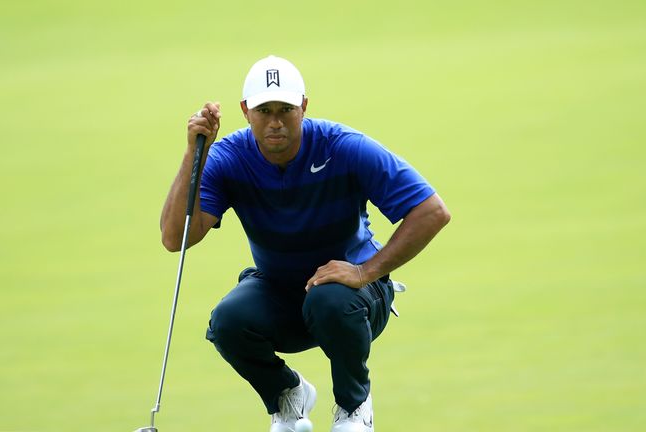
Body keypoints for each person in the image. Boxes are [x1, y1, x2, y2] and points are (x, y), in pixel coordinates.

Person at [160, 55, 450, 432]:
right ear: (246, 111)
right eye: (265, 110)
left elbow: (432, 210)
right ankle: (287, 396)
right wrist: (193, 153)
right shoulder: (229, 158)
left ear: (305, 107)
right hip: (282, 292)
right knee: (229, 321)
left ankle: (354, 406)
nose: (276, 121)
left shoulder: (342, 146)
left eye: (286, 109)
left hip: (356, 298)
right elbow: (175, 237)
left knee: (329, 298)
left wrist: (366, 271)